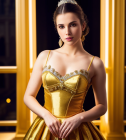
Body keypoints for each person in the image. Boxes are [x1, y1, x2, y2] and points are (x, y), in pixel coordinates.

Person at [23, 0, 107, 139]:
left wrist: (79, 118)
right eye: (61, 26)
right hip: (46, 127)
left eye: (73, 25)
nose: (67, 32)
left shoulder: (95, 63)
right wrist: (46, 115)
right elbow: (28, 96)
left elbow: (102, 106)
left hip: (77, 129)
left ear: (83, 25)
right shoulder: (45, 56)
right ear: (57, 28)